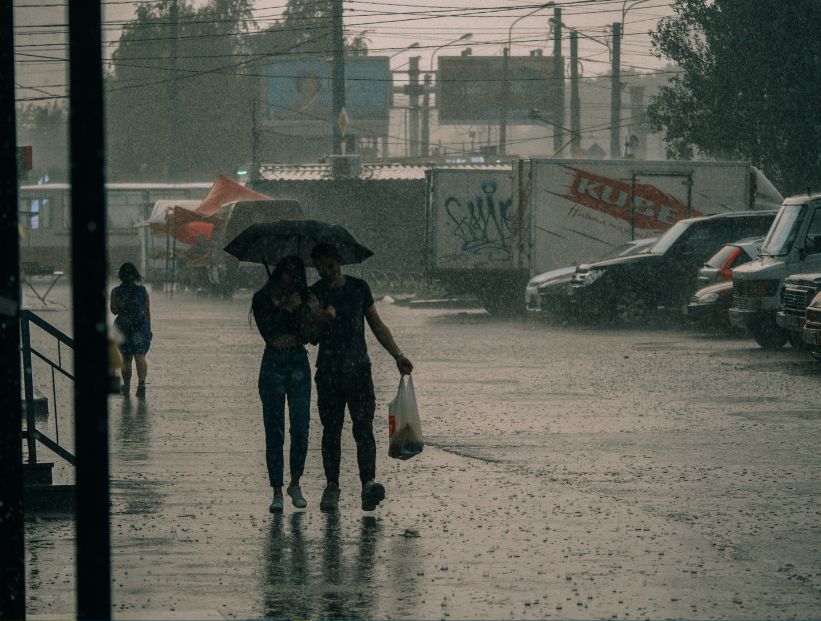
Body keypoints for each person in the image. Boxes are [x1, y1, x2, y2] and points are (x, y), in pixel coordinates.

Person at [309, 243, 414, 512]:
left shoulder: (359, 288)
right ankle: (332, 487)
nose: (325, 272)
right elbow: (309, 337)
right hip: (329, 373)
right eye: (320, 268)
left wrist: (397, 355)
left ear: (339, 261)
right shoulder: (315, 294)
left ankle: (368, 485)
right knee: (331, 431)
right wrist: (321, 318)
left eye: (329, 266)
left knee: (363, 429)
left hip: (358, 371)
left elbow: (377, 325)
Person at [252, 255, 327, 513]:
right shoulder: (261, 299)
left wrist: (313, 314)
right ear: (277, 273)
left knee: (300, 427)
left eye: (296, 275)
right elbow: (270, 334)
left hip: (298, 364)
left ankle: (295, 482)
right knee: (274, 430)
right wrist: (285, 308)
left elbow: (310, 338)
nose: (291, 279)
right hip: (272, 364)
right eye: (287, 273)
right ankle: (276, 490)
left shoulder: (304, 299)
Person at [110, 262, 152, 398]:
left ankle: (127, 386)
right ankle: (141, 384)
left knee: (126, 359)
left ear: (121, 276)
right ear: (135, 275)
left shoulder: (116, 291)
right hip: (140, 327)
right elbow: (147, 311)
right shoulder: (142, 290)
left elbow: (114, 310)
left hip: (123, 327)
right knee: (140, 356)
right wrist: (148, 328)